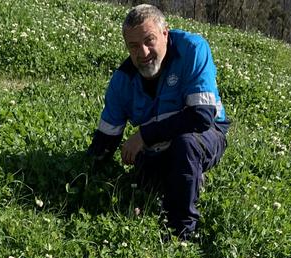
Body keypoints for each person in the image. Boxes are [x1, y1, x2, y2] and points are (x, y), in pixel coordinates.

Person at [87, 4, 229, 239]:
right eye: (133, 46)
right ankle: (182, 179)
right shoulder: (122, 80)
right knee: (148, 184)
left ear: (165, 33)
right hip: (158, 145)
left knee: (186, 145)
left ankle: (181, 230)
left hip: (206, 132)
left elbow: (201, 116)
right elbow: (106, 137)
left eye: (149, 40)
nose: (142, 53)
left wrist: (143, 135)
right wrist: (84, 176)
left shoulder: (192, 49)